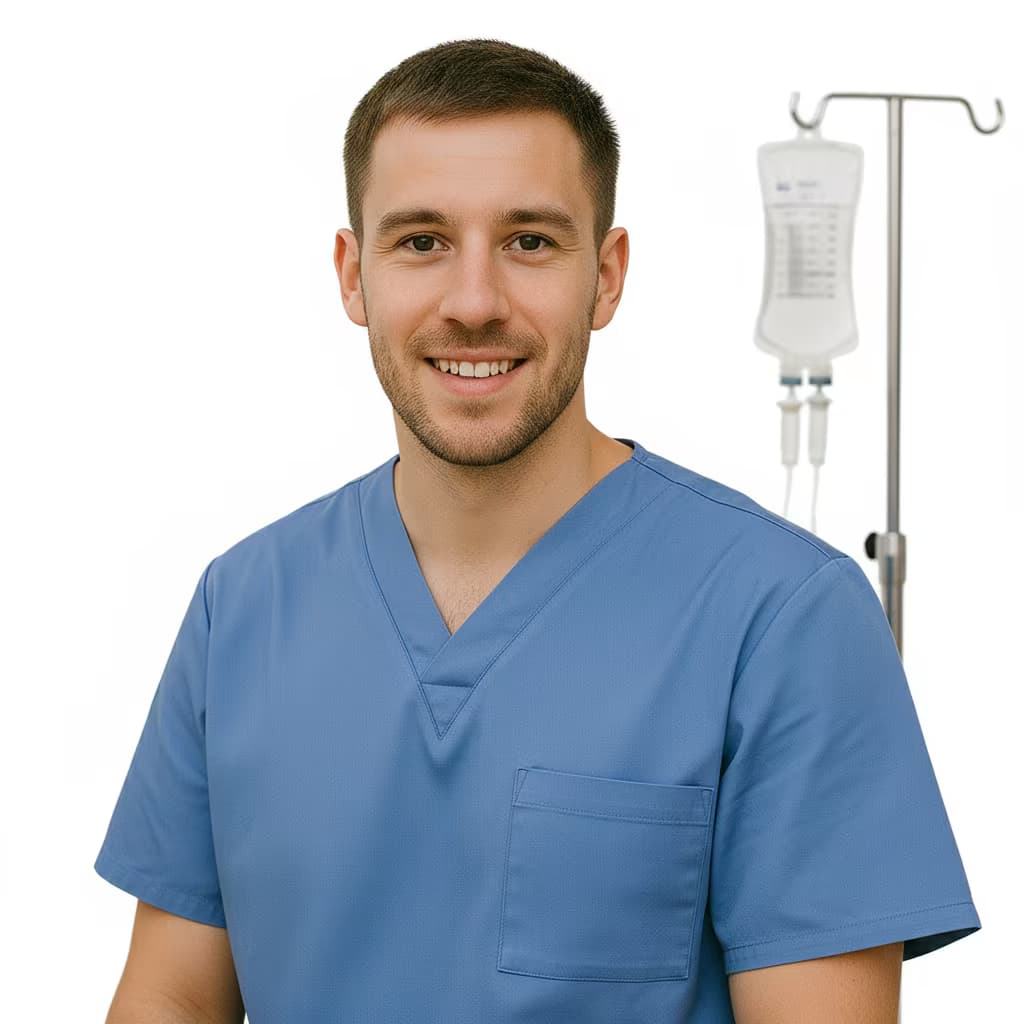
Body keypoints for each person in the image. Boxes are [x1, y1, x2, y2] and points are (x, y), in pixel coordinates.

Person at [95, 38, 981, 1024]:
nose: (474, 302)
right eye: (422, 240)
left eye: (529, 241)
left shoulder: (780, 619)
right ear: (353, 275)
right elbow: (170, 995)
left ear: (606, 276)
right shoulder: (243, 607)